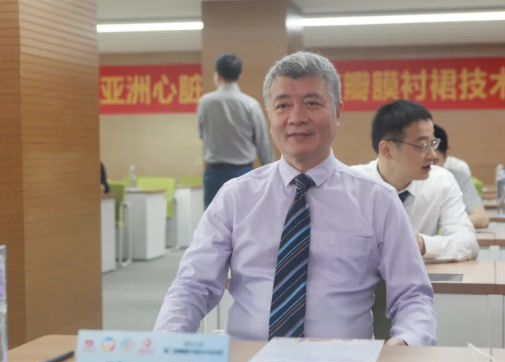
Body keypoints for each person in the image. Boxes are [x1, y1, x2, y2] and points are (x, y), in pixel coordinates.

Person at [154, 52, 436, 346]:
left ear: (337, 112)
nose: (297, 118)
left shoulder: (378, 200)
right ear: (269, 116)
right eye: (283, 105)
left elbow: (413, 295)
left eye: (312, 103)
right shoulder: (235, 197)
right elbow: (193, 285)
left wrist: (407, 341)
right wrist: (164, 343)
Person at [351, 100, 478, 263]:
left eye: (433, 143)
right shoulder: (352, 185)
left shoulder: (441, 181)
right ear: (387, 150)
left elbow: (468, 243)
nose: (432, 155)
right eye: (422, 145)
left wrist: (422, 244)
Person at [198, 53, 274, 207]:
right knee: (245, 219)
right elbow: (263, 143)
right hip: (243, 173)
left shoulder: (205, 102)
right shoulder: (250, 104)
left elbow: (202, 134)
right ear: (239, 76)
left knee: (214, 220)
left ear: (217, 76)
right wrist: (272, 176)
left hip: (214, 174)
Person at [433, 124, 489, 229]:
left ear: (446, 154)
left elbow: (481, 218)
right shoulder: (411, 173)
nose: (430, 167)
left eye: (435, 161)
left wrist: (439, 226)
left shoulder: (458, 172)